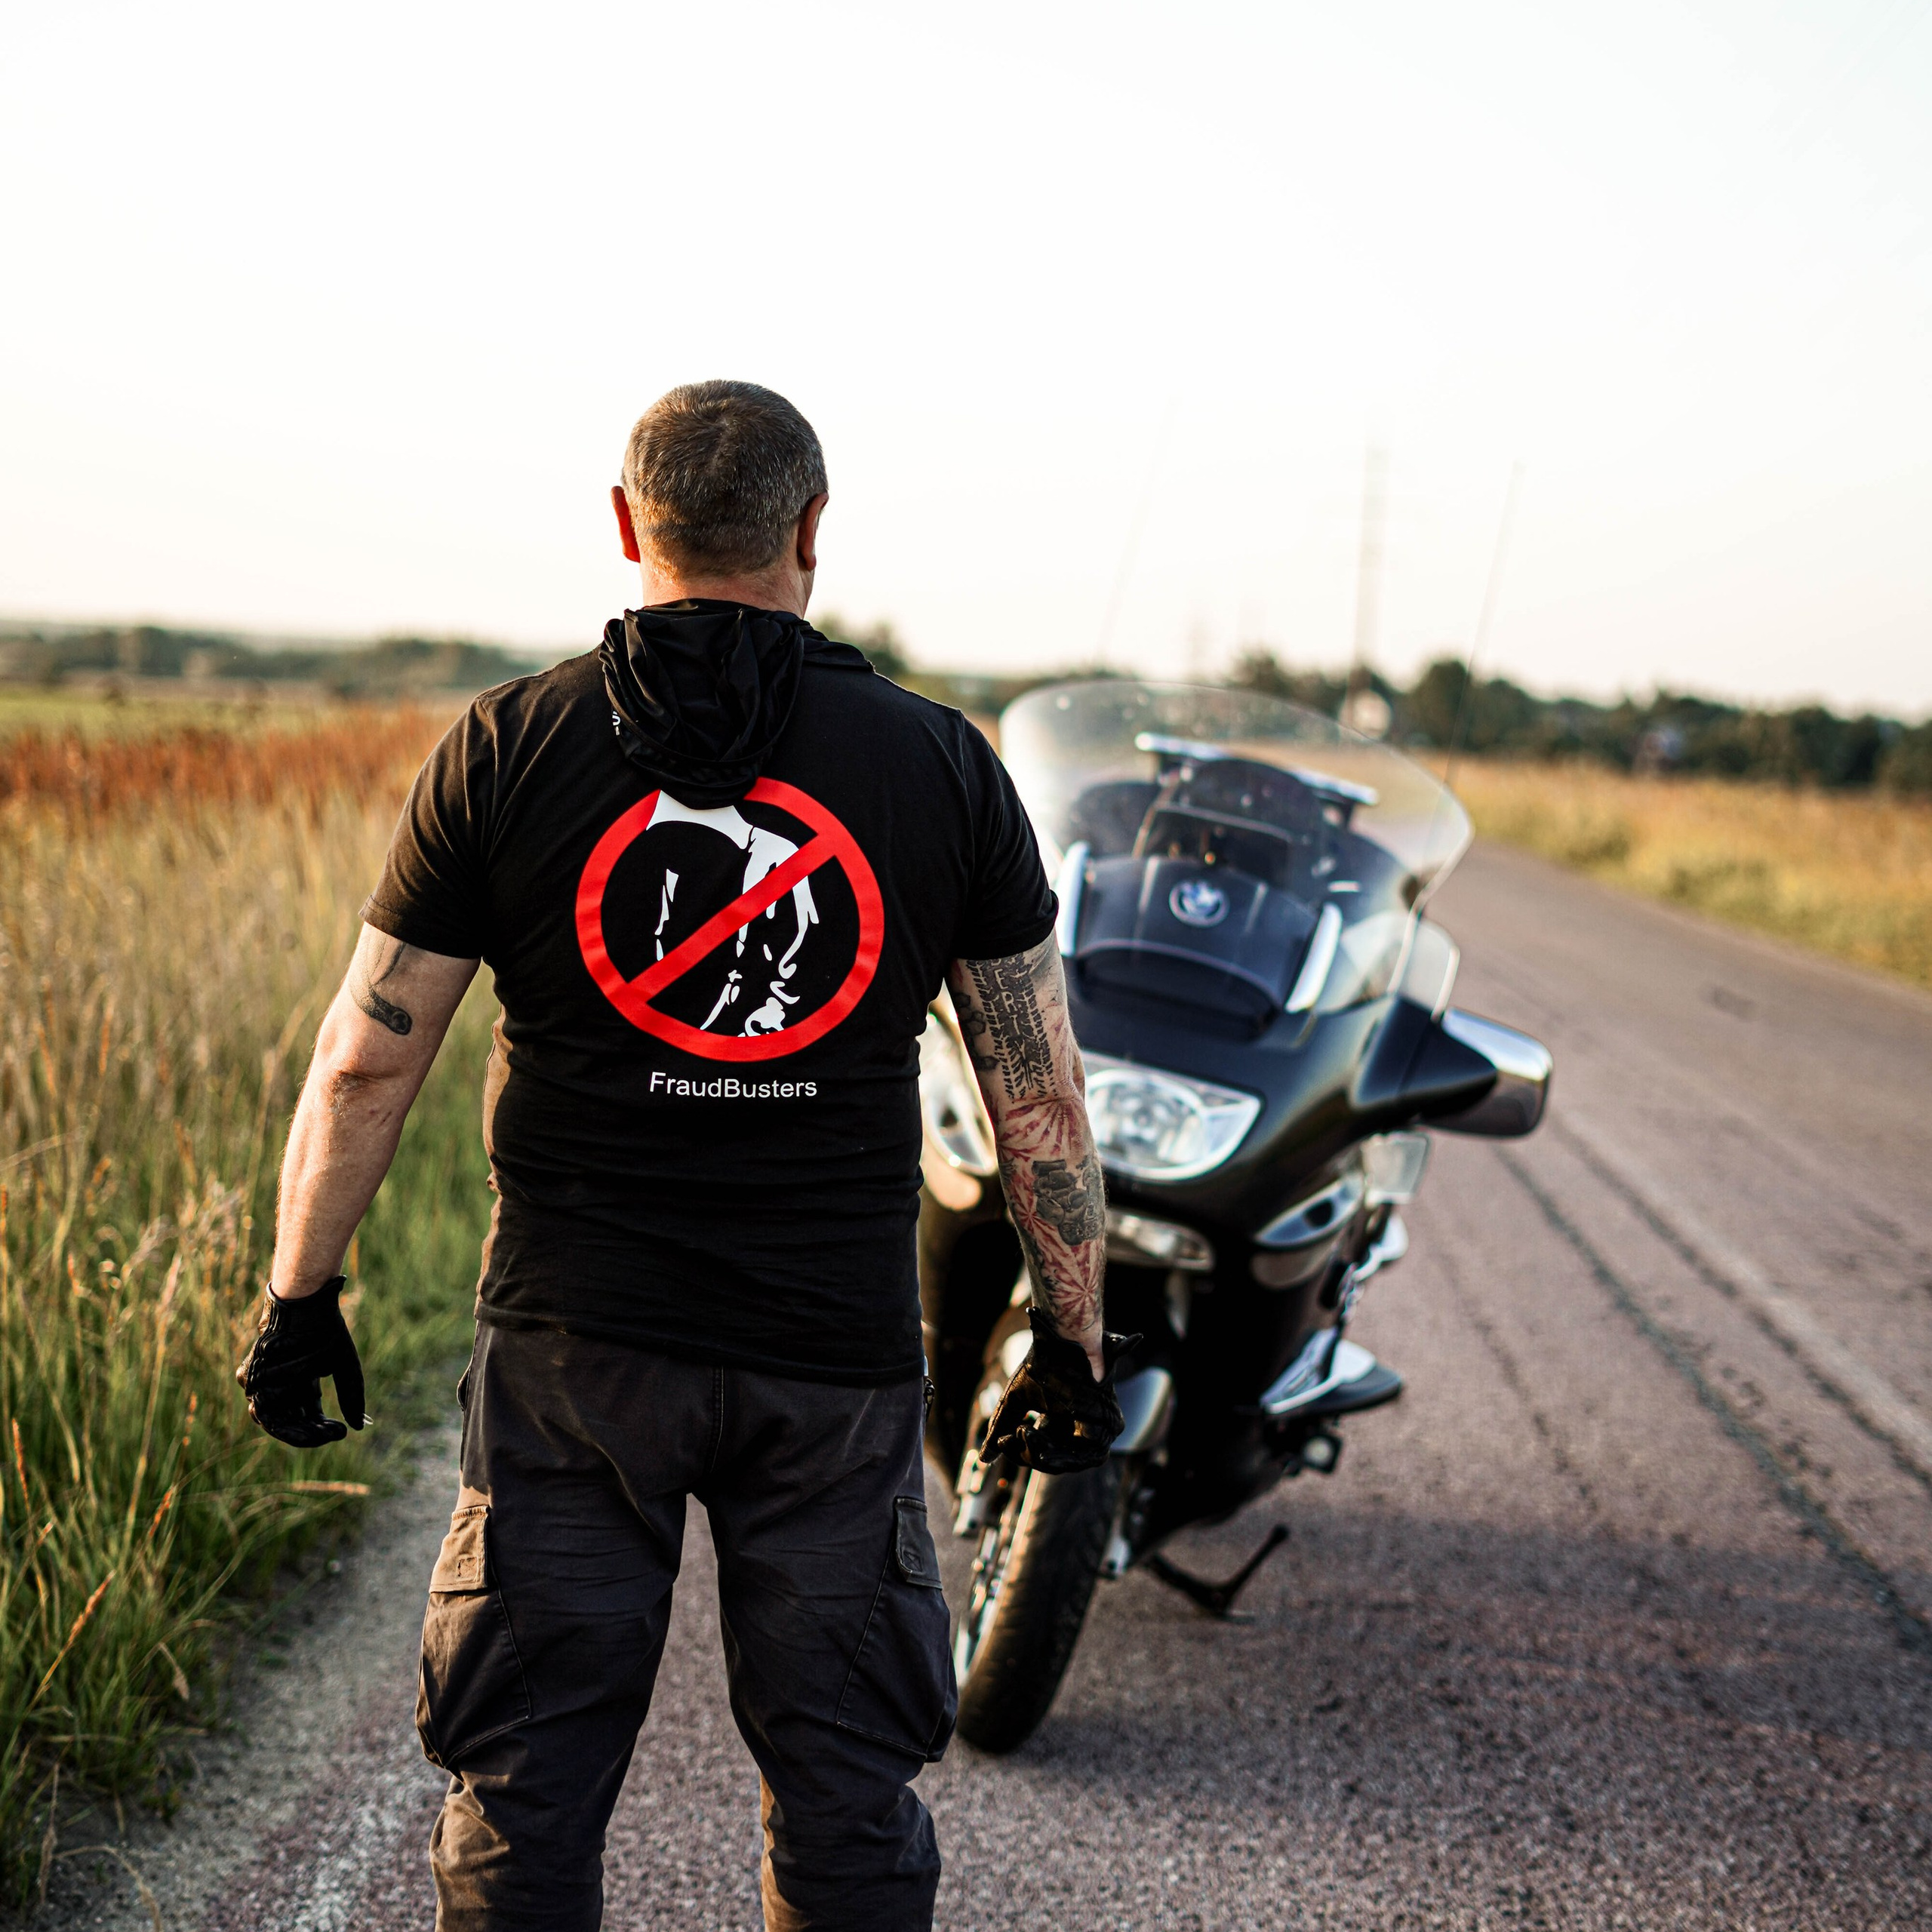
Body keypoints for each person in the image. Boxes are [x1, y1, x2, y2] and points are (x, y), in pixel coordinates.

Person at [235, 380, 1131, 1930]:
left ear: (622, 524)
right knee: (850, 1794)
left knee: (522, 1791)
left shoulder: (506, 745)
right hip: (831, 1365)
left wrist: (300, 1293)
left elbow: (369, 1047)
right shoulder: (937, 765)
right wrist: (1067, 1335)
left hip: (576, 1354)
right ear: (808, 531)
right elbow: (1037, 1101)